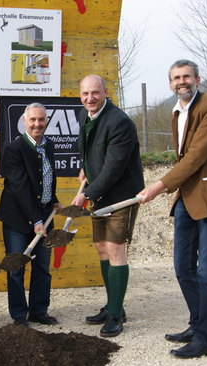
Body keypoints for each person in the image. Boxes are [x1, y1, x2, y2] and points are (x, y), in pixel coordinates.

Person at [139, 59, 207, 358]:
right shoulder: (177, 111)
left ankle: (206, 339)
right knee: (183, 267)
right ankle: (197, 324)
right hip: (186, 198)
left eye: (186, 76)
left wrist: (158, 186)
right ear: (170, 84)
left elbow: (195, 157)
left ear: (197, 79)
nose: (181, 81)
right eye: (176, 78)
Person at [71, 74, 145, 338]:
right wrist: (85, 167)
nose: (90, 98)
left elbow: (114, 168)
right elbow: (89, 150)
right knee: (102, 248)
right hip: (100, 194)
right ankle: (113, 304)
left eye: (95, 93)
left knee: (115, 250)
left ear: (105, 92)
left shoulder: (119, 123)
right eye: (85, 94)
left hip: (121, 195)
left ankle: (115, 315)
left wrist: (86, 194)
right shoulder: (84, 116)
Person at [0, 103, 62, 326]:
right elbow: (20, 187)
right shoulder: (14, 149)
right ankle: (18, 315)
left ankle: (38, 310)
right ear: (24, 121)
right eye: (33, 120)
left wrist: (52, 200)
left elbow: (46, 178)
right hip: (18, 219)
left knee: (42, 266)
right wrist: (37, 220)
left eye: (41, 120)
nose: (37, 124)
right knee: (16, 266)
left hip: (43, 216)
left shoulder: (49, 146)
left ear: (46, 121)